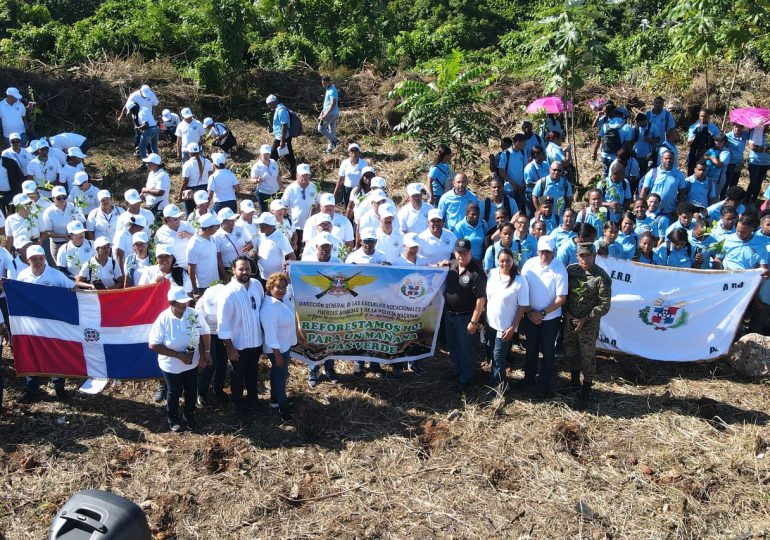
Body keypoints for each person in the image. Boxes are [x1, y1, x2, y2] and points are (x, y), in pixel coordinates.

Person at [16, 244, 90, 402]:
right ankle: (32, 390)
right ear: (28, 260)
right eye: (34, 259)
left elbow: (72, 288)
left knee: (55, 355)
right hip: (31, 325)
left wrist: (71, 293)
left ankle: (59, 388)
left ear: (44, 258)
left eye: (40, 258)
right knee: (32, 355)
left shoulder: (55, 275)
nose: (37, 262)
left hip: (53, 325)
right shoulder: (22, 276)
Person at [149, 287, 211, 432]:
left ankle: (189, 414)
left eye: (186, 302)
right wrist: (177, 355)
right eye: (181, 303)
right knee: (174, 391)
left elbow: (205, 332)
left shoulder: (194, 314)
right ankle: (173, 417)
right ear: (171, 302)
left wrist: (206, 352)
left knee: (191, 389)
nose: (185, 305)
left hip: (191, 363)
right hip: (171, 365)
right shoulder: (163, 318)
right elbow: (153, 344)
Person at [561, 243, 611, 410]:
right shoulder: (570, 271)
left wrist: (586, 319)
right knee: (571, 351)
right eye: (582, 256)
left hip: (589, 324)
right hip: (570, 320)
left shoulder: (601, 277)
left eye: (588, 255)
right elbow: (563, 294)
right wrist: (567, 313)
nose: (585, 259)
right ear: (577, 256)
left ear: (594, 255)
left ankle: (587, 387)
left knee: (587, 355)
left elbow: (604, 305)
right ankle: (574, 381)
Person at [518, 236, 568, 399]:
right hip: (530, 315)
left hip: (550, 319)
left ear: (553, 251)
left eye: (547, 252)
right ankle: (529, 378)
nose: (544, 255)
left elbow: (561, 298)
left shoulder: (559, 269)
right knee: (531, 348)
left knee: (548, 351)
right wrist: (530, 312)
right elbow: (523, 288)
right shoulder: (529, 265)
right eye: (541, 252)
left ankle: (544, 384)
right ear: (537, 251)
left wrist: (542, 313)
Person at [217, 257, 265, 423]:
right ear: (233, 270)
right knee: (238, 377)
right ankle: (239, 405)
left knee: (252, 373)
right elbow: (222, 324)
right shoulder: (228, 292)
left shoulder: (257, 285)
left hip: (255, 341)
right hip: (238, 345)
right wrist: (230, 348)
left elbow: (261, 308)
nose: (244, 272)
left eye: (247, 269)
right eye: (241, 269)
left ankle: (253, 401)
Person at [441, 238, 487, 393]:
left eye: (465, 252)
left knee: (466, 349)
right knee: (453, 345)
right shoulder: (451, 265)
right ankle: (457, 369)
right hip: (450, 315)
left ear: (470, 253)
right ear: (455, 252)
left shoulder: (476, 272)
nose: (461, 255)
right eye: (459, 252)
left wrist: (474, 321)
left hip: (466, 317)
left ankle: (466, 378)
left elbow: (481, 299)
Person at [485, 248, 529, 395]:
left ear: (513, 260)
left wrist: (512, 328)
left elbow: (522, 307)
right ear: (498, 261)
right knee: (493, 355)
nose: (505, 263)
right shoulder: (492, 273)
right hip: (490, 324)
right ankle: (498, 382)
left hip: (505, 327)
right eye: (502, 260)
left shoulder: (519, 280)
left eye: (508, 260)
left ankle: (498, 387)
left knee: (498, 358)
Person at [260, 272, 296, 422]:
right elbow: (270, 335)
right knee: (280, 378)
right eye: (277, 287)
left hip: (285, 345)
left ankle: (274, 401)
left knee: (277, 375)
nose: (281, 289)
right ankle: (283, 408)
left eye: (283, 287)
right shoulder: (269, 308)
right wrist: (278, 355)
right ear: (270, 287)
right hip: (277, 349)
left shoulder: (283, 299)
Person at [195, 281, 228, 405]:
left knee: (223, 361)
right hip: (207, 333)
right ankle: (201, 392)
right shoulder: (200, 307)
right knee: (210, 363)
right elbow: (200, 330)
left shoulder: (228, 296)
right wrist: (205, 352)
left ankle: (218, 389)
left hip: (223, 332)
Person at [41, 185, 85, 264]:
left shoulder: (73, 207)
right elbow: (47, 232)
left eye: (64, 197)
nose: (62, 200)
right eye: (59, 198)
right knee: (61, 268)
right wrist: (64, 236)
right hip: (58, 244)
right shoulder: (48, 212)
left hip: (74, 243)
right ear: (53, 198)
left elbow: (81, 222)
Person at [187, 212, 224, 299]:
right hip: (203, 287)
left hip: (216, 283)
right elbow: (191, 268)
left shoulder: (211, 238)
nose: (218, 228)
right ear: (208, 228)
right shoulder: (193, 244)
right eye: (216, 226)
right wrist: (195, 290)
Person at [639, 150, 686, 218]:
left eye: (671, 158)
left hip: (669, 212)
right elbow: (644, 191)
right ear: (661, 159)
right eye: (666, 158)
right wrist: (641, 207)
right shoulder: (652, 173)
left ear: (674, 160)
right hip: (651, 212)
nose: (668, 160)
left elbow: (682, 193)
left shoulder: (679, 175)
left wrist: (678, 210)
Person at [280, 163, 318, 247]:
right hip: (295, 226)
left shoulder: (314, 188)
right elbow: (284, 206)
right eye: (302, 175)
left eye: (307, 175)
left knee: (309, 248)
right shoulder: (290, 189)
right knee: (295, 249)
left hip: (310, 226)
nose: (305, 177)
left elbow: (319, 203)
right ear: (297, 175)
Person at [592, 108, 633, 177]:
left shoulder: (605, 125)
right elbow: (628, 145)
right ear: (624, 116)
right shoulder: (627, 127)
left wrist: (594, 153)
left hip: (605, 155)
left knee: (605, 175)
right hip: (617, 158)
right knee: (616, 177)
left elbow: (598, 140)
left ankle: (604, 187)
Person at [256, 212, 296, 281]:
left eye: (261, 224)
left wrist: (286, 263)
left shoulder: (281, 238)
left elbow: (292, 257)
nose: (259, 226)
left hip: (276, 280)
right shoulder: (261, 234)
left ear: (270, 225)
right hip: (263, 276)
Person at [266, 94, 297, 180]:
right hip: (282, 137)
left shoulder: (281, 111)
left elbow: (284, 125)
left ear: (274, 102)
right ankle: (293, 174)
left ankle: (271, 175)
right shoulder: (279, 109)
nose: (269, 106)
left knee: (272, 157)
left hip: (281, 138)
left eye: (269, 104)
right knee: (289, 156)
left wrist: (282, 140)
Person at [155, 204, 195, 268]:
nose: (178, 220)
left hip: (192, 265)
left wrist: (189, 235)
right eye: (175, 219)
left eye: (180, 217)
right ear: (166, 220)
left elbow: (199, 240)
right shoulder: (160, 233)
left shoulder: (187, 225)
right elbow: (159, 254)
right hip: (175, 268)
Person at [214, 208, 252, 272]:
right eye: (230, 220)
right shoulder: (216, 236)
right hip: (229, 269)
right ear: (222, 221)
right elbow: (218, 258)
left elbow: (250, 243)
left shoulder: (240, 228)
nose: (233, 221)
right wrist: (224, 275)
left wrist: (249, 247)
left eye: (233, 219)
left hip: (244, 266)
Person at [179, 143, 212, 215]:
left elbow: (185, 181)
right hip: (205, 188)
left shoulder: (187, 164)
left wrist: (180, 194)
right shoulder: (207, 161)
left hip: (191, 190)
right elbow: (210, 176)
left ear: (188, 153)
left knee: (190, 213)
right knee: (204, 212)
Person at [687, 108, 721, 175]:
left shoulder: (714, 128)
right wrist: (695, 136)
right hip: (694, 152)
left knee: (703, 172)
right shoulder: (693, 127)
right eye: (701, 116)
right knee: (691, 171)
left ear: (708, 116)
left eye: (704, 116)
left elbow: (718, 142)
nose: (702, 118)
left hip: (707, 153)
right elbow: (689, 142)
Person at [498, 133, 527, 206]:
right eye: (523, 143)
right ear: (517, 142)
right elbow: (501, 172)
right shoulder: (506, 154)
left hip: (521, 188)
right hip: (509, 189)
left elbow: (525, 168)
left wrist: (524, 183)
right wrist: (513, 184)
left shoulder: (523, 152)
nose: (525, 145)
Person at [335, 143, 367, 207]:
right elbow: (341, 178)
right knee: (348, 208)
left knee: (358, 207)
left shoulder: (364, 163)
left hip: (359, 189)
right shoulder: (345, 163)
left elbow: (366, 178)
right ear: (349, 152)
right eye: (352, 150)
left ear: (359, 152)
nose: (354, 152)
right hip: (347, 190)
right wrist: (335, 192)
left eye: (356, 150)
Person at [250, 144, 280, 212]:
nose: (266, 155)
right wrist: (257, 180)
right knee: (264, 213)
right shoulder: (257, 166)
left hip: (275, 192)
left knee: (276, 211)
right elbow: (252, 180)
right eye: (264, 154)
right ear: (261, 153)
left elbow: (277, 176)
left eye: (268, 153)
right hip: (263, 193)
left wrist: (281, 186)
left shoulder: (274, 162)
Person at [723, 123, 750, 198]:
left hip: (739, 162)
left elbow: (752, 135)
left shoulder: (744, 135)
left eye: (740, 127)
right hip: (730, 163)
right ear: (733, 126)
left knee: (734, 182)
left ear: (742, 128)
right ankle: (723, 197)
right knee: (727, 182)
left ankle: (731, 198)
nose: (737, 129)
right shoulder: (727, 136)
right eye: (736, 127)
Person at [523, 145, 549, 217]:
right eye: (543, 153)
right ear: (536, 155)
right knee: (532, 215)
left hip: (543, 194)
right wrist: (541, 183)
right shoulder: (529, 168)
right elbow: (528, 184)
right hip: (531, 195)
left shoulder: (546, 164)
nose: (545, 155)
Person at [318, 75, 340, 153]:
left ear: (329, 82)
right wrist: (322, 112)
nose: (323, 85)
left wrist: (326, 114)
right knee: (332, 131)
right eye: (322, 84)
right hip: (334, 114)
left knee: (321, 128)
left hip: (330, 115)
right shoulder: (330, 89)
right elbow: (326, 104)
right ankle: (330, 149)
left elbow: (333, 103)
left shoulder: (331, 91)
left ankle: (335, 141)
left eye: (325, 84)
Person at [747, 125, 770, 202]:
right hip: (754, 161)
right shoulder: (755, 132)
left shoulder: (768, 135)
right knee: (753, 181)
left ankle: (753, 200)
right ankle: (746, 200)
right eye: (765, 125)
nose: (767, 127)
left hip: (766, 162)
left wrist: (760, 148)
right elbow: (752, 147)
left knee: (759, 182)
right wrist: (765, 149)